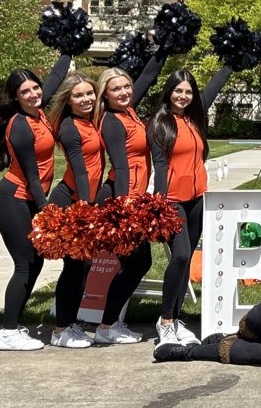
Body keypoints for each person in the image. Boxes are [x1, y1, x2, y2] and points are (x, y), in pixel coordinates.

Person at [147, 67, 233, 346]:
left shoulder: (194, 119)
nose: (183, 96)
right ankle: (166, 322)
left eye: (188, 91)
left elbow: (213, 89)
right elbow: (160, 166)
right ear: (169, 92)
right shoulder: (160, 123)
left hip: (197, 198)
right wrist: (159, 203)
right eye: (178, 90)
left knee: (185, 263)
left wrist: (229, 64)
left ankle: (176, 316)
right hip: (172, 199)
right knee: (181, 256)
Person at [90, 55, 165, 345]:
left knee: (139, 262)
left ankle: (108, 324)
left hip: (133, 198)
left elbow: (147, 78)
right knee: (136, 263)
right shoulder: (111, 121)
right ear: (105, 95)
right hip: (122, 198)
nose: (123, 92)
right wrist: (125, 208)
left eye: (126, 87)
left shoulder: (129, 112)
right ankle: (107, 326)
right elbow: (120, 166)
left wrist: (163, 47)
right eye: (116, 89)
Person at [0, 69, 57, 351]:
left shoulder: (38, 113)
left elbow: (54, 80)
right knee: (24, 264)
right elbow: (31, 175)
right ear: (16, 97)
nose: (34, 94)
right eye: (25, 91)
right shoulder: (20, 125)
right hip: (12, 199)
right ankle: (8, 332)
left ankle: (14, 324)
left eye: (36, 88)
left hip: (26, 198)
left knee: (36, 262)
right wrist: (47, 210)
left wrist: (67, 51)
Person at [43, 70, 102, 348]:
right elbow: (80, 171)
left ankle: (69, 324)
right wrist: (86, 208)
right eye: (79, 95)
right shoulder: (69, 127)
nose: (86, 98)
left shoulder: (90, 121)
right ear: (68, 100)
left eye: (89, 93)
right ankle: (60, 330)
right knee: (75, 266)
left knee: (83, 266)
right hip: (72, 202)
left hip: (83, 201)